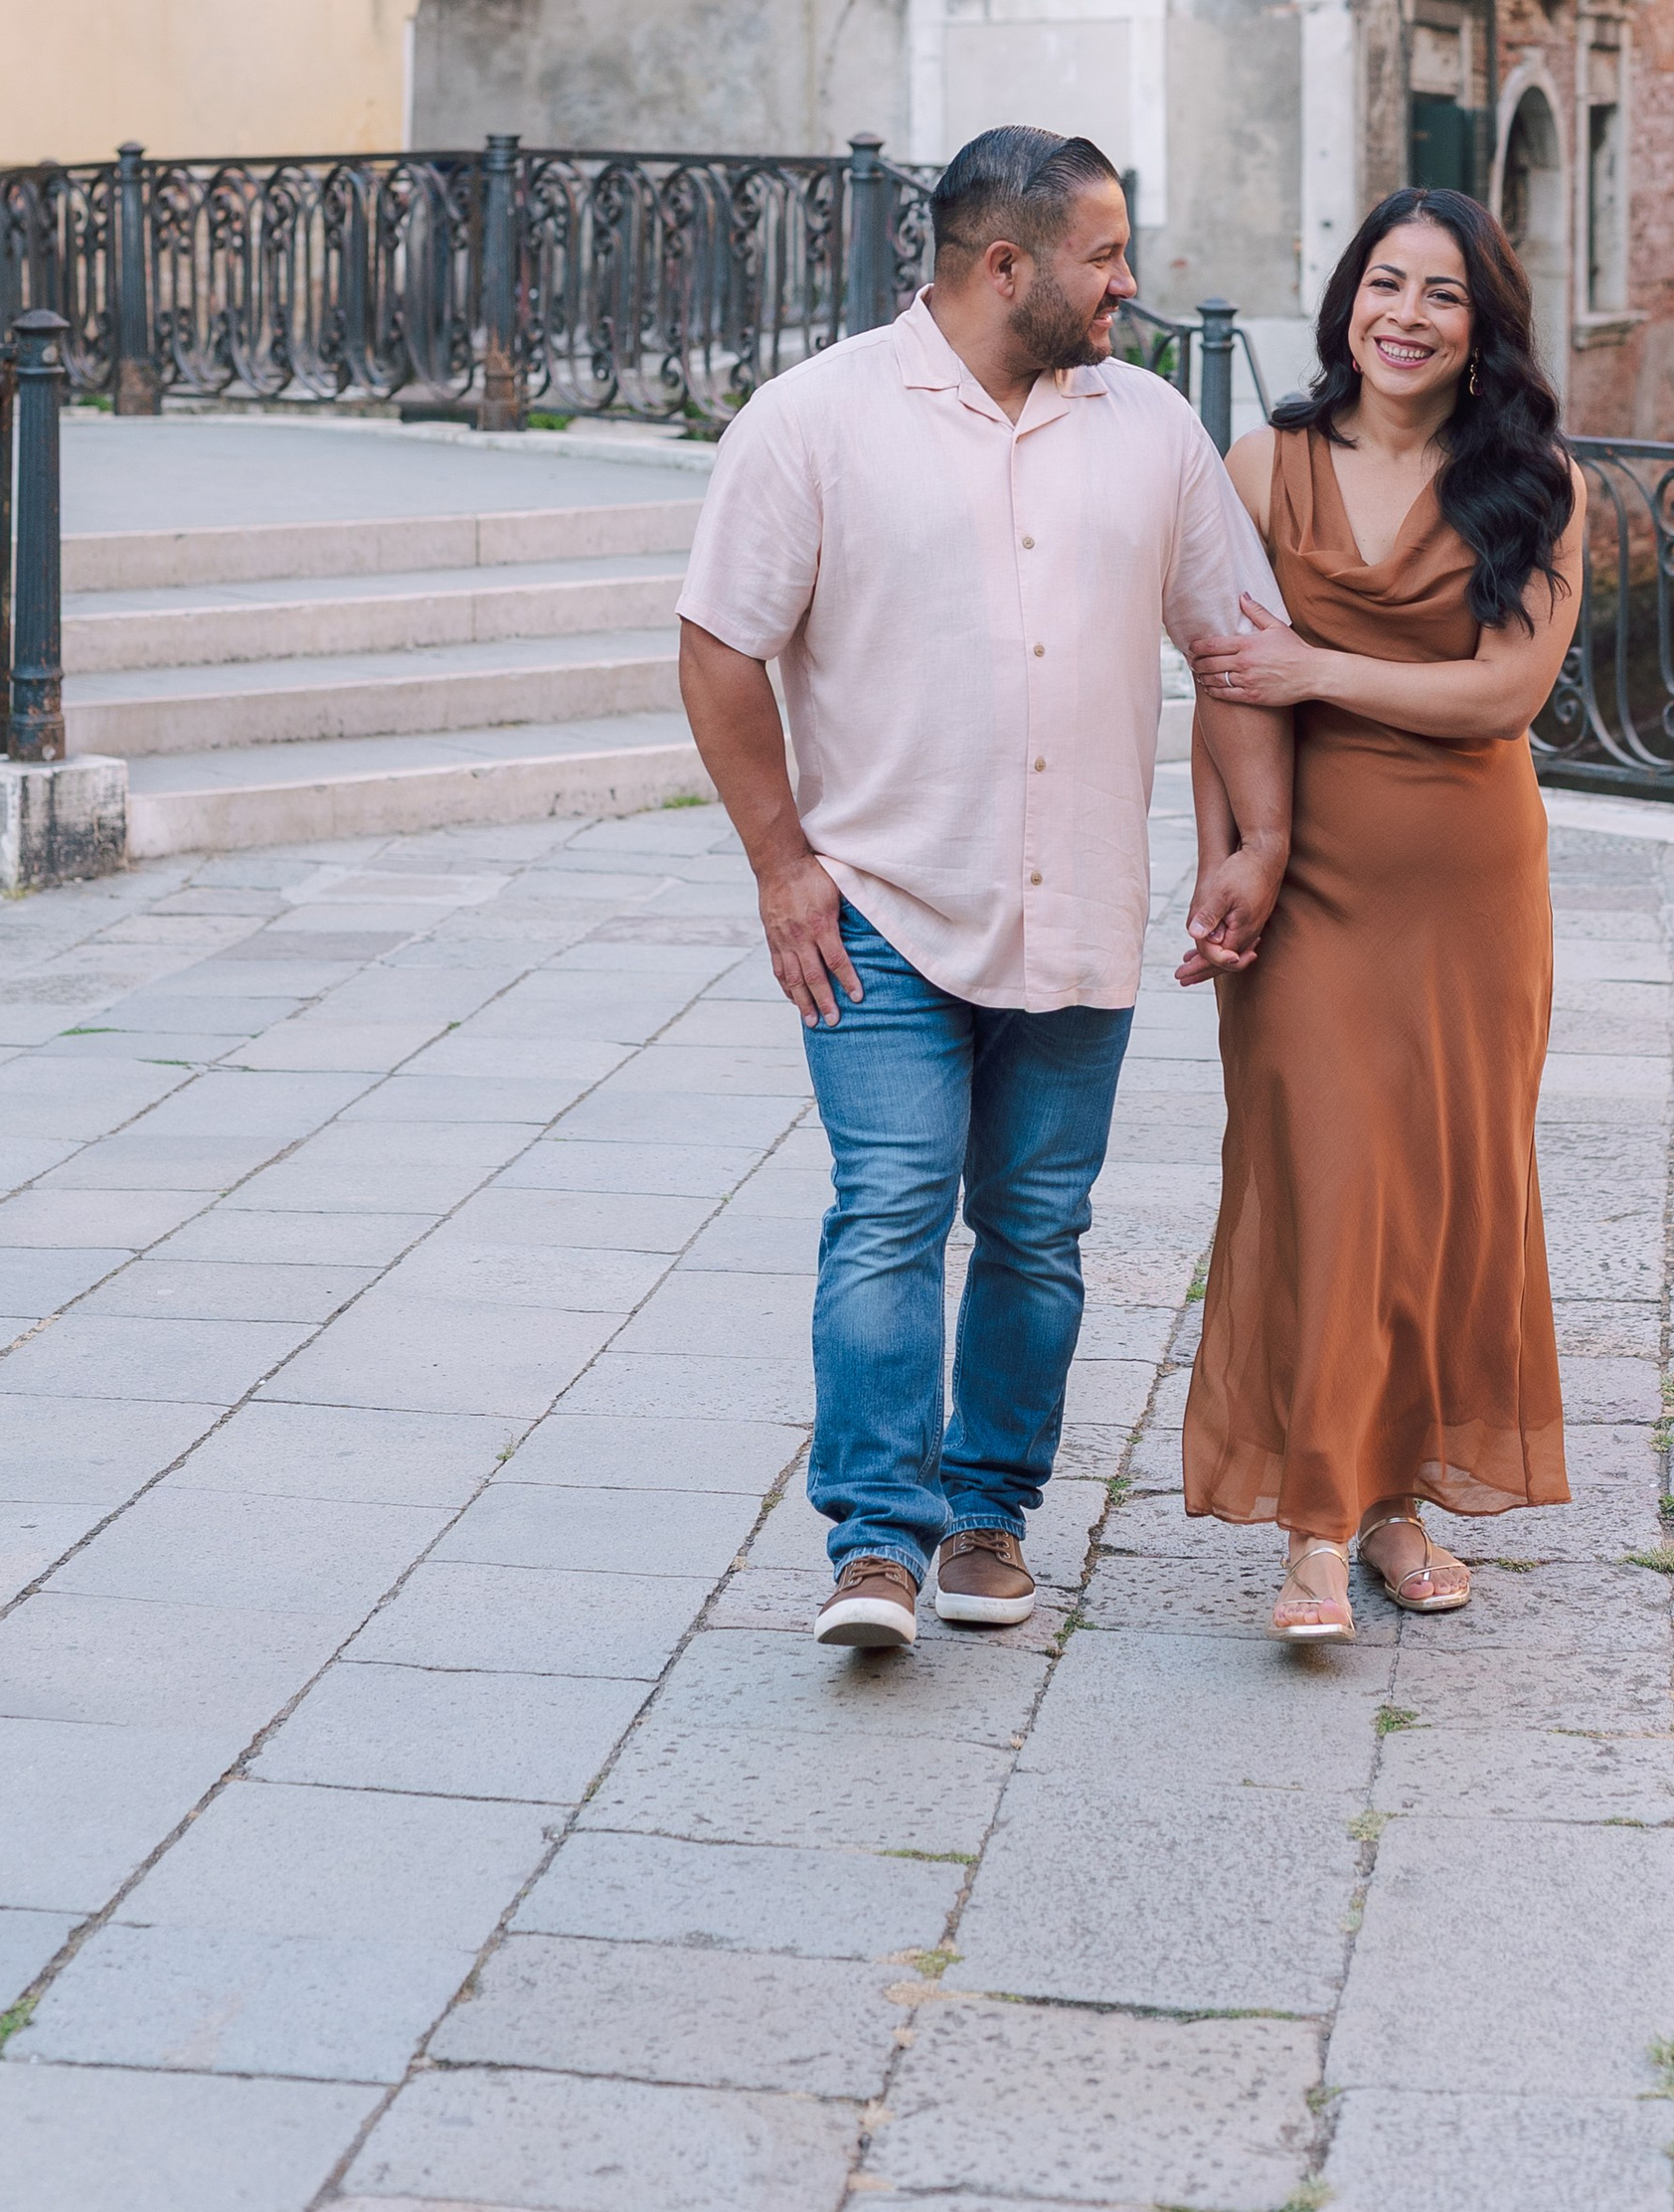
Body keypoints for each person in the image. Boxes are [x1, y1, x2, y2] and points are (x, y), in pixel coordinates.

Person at [676, 123, 1294, 1653]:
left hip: (1079, 899)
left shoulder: (1152, 429)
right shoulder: (813, 421)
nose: (1130, 282)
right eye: (1105, 255)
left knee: (1036, 1227)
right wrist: (780, 865)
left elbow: (1236, 645)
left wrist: (1256, 838)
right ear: (1006, 266)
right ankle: (875, 1545)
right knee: (888, 1210)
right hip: (879, 905)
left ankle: (989, 1518)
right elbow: (719, 644)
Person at [1176, 185, 1587, 1643]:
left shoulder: (1535, 482)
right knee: (1325, 1184)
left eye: (1442, 294)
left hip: (1472, 894)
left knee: (1435, 1195)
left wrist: (1320, 672)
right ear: (1348, 298)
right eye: (1387, 284)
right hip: (1308, 887)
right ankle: (1313, 1530)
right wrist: (1226, 859)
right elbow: (1223, 688)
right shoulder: (1259, 465)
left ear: (1483, 327)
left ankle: (1393, 1501)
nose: (1406, 317)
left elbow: (1506, 693)